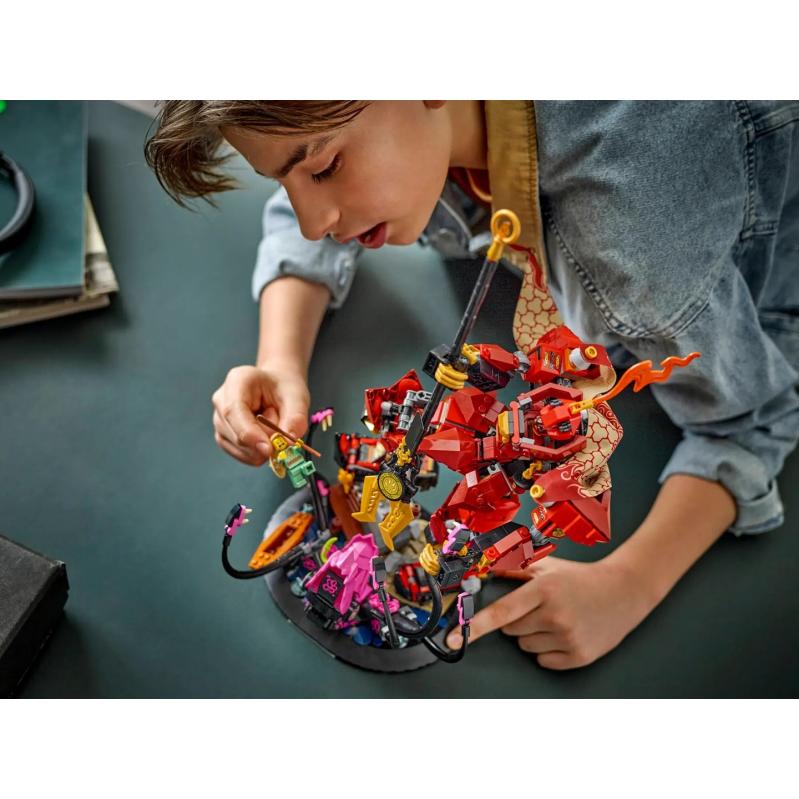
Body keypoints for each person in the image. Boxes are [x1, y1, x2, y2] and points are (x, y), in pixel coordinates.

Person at [145, 101, 799, 669]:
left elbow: (749, 423)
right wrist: (280, 360)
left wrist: (630, 583)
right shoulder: (402, 129)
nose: (314, 219)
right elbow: (310, 205)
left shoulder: (633, 251)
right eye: (285, 180)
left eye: (323, 169)